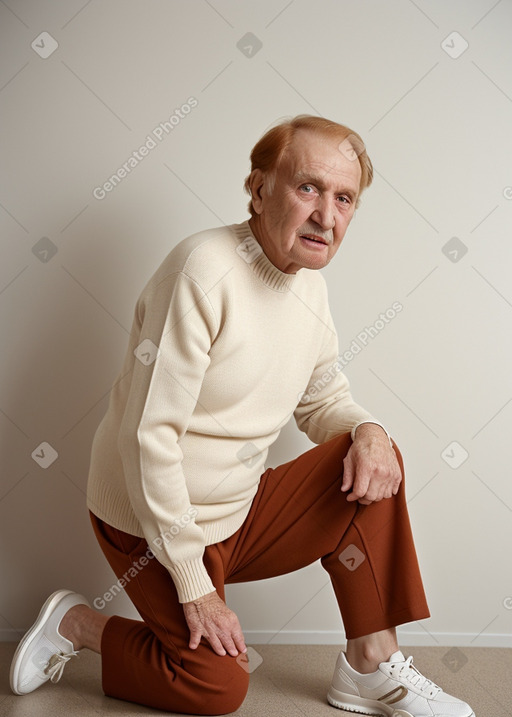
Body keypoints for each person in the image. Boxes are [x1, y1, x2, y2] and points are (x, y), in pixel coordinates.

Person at [10, 115, 475, 717]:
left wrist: (368, 429)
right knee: (217, 687)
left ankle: (369, 665)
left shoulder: (309, 286)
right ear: (258, 190)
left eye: (344, 199)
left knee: (373, 456)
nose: (326, 217)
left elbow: (322, 397)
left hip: (237, 511)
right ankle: (76, 624)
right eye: (307, 188)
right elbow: (146, 439)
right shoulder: (201, 271)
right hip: (151, 524)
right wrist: (195, 586)